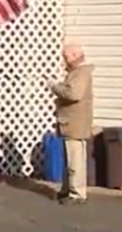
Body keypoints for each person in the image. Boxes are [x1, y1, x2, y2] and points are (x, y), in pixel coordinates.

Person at [47, 43, 93, 205]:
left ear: (75, 56)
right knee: (69, 160)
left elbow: (74, 94)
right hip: (70, 122)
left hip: (75, 123)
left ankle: (77, 193)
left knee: (75, 161)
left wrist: (55, 87)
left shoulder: (81, 74)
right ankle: (68, 189)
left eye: (66, 57)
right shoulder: (76, 73)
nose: (64, 61)